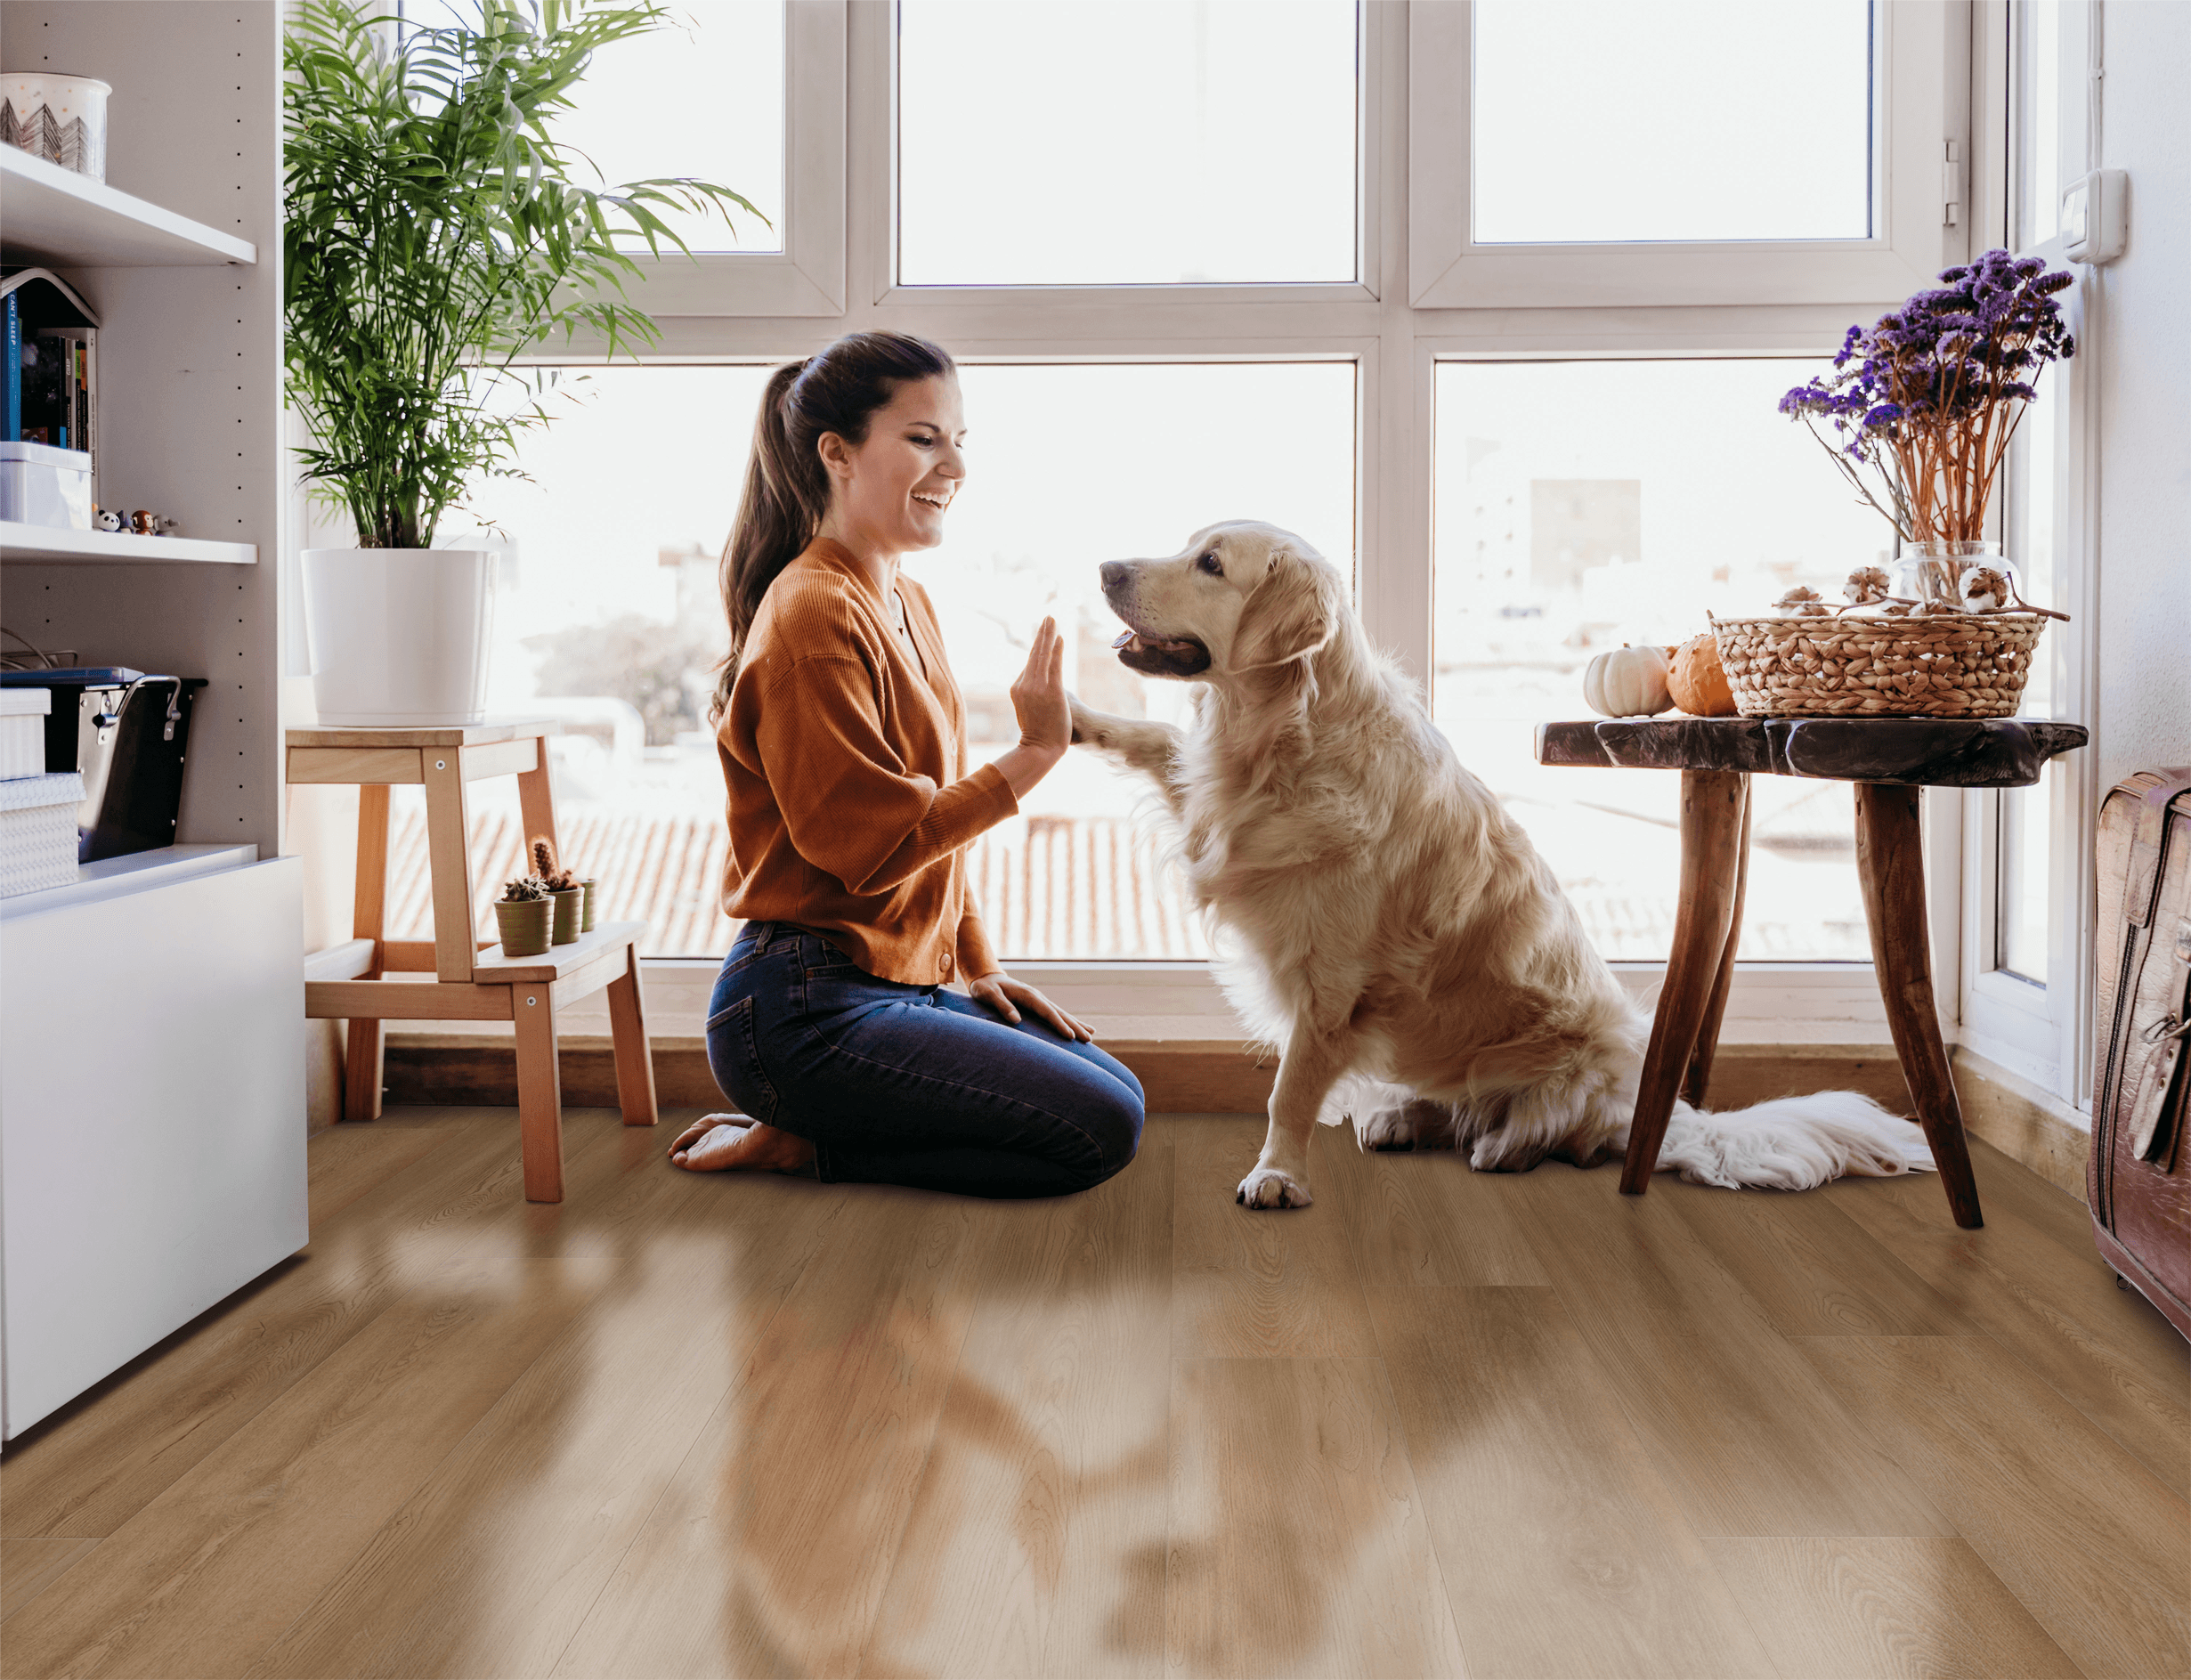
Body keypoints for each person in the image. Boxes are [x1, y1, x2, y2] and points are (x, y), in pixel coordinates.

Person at [668, 330, 1146, 1197]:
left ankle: (812, 1129)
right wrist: (1037, 751)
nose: (953, 466)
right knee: (1098, 1130)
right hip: (797, 1006)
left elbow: (931, 828)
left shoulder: (904, 599)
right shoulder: (811, 613)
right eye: (924, 439)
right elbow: (874, 848)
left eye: (960, 441)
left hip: (893, 979)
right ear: (837, 454)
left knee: (1120, 1092)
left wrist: (976, 963)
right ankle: (800, 1143)